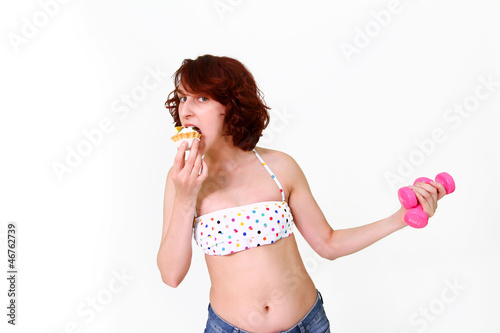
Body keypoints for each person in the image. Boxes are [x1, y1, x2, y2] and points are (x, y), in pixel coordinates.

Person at [157, 54, 446, 333]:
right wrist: (185, 197)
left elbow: (328, 244)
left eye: (202, 98)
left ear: (231, 105)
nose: (187, 110)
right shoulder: (181, 180)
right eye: (183, 97)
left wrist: (400, 218)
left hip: (308, 325)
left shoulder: (279, 166)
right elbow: (171, 276)